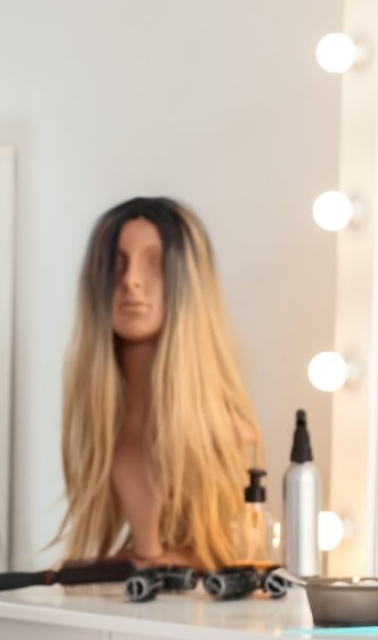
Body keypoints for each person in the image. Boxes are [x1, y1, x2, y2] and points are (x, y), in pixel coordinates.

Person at [55, 196, 260, 572]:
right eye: (115, 265)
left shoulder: (228, 433)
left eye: (155, 264)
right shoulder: (103, 433)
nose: (132, 280)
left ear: (188, 282)